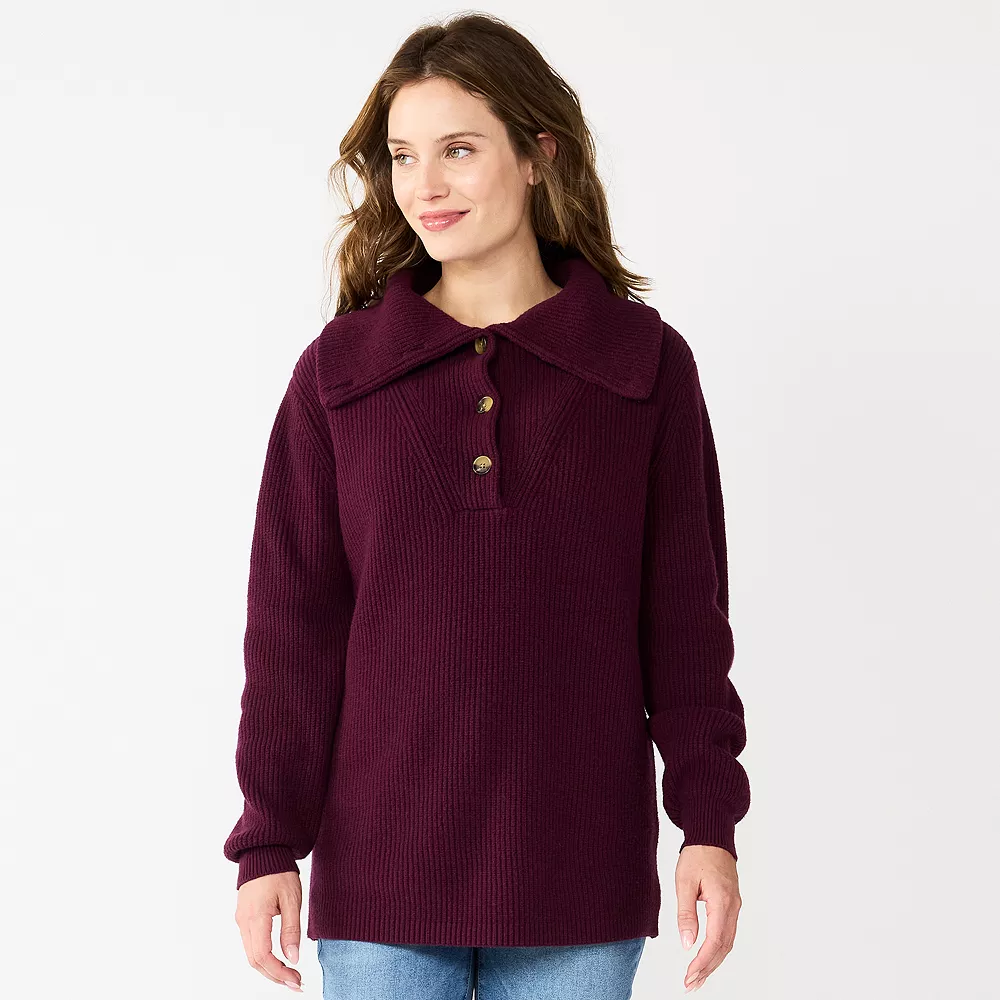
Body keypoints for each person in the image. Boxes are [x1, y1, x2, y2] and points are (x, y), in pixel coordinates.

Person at [224, 13, 751, 999]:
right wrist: (266, 845)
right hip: (380, 880)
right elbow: (292, 631)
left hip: (578, 876)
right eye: (402, 156)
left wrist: (708, 826)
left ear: (538, 154)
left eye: (458, 150)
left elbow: (686, 624)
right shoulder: (340, 375)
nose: (423, 185)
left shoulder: (641, 367)